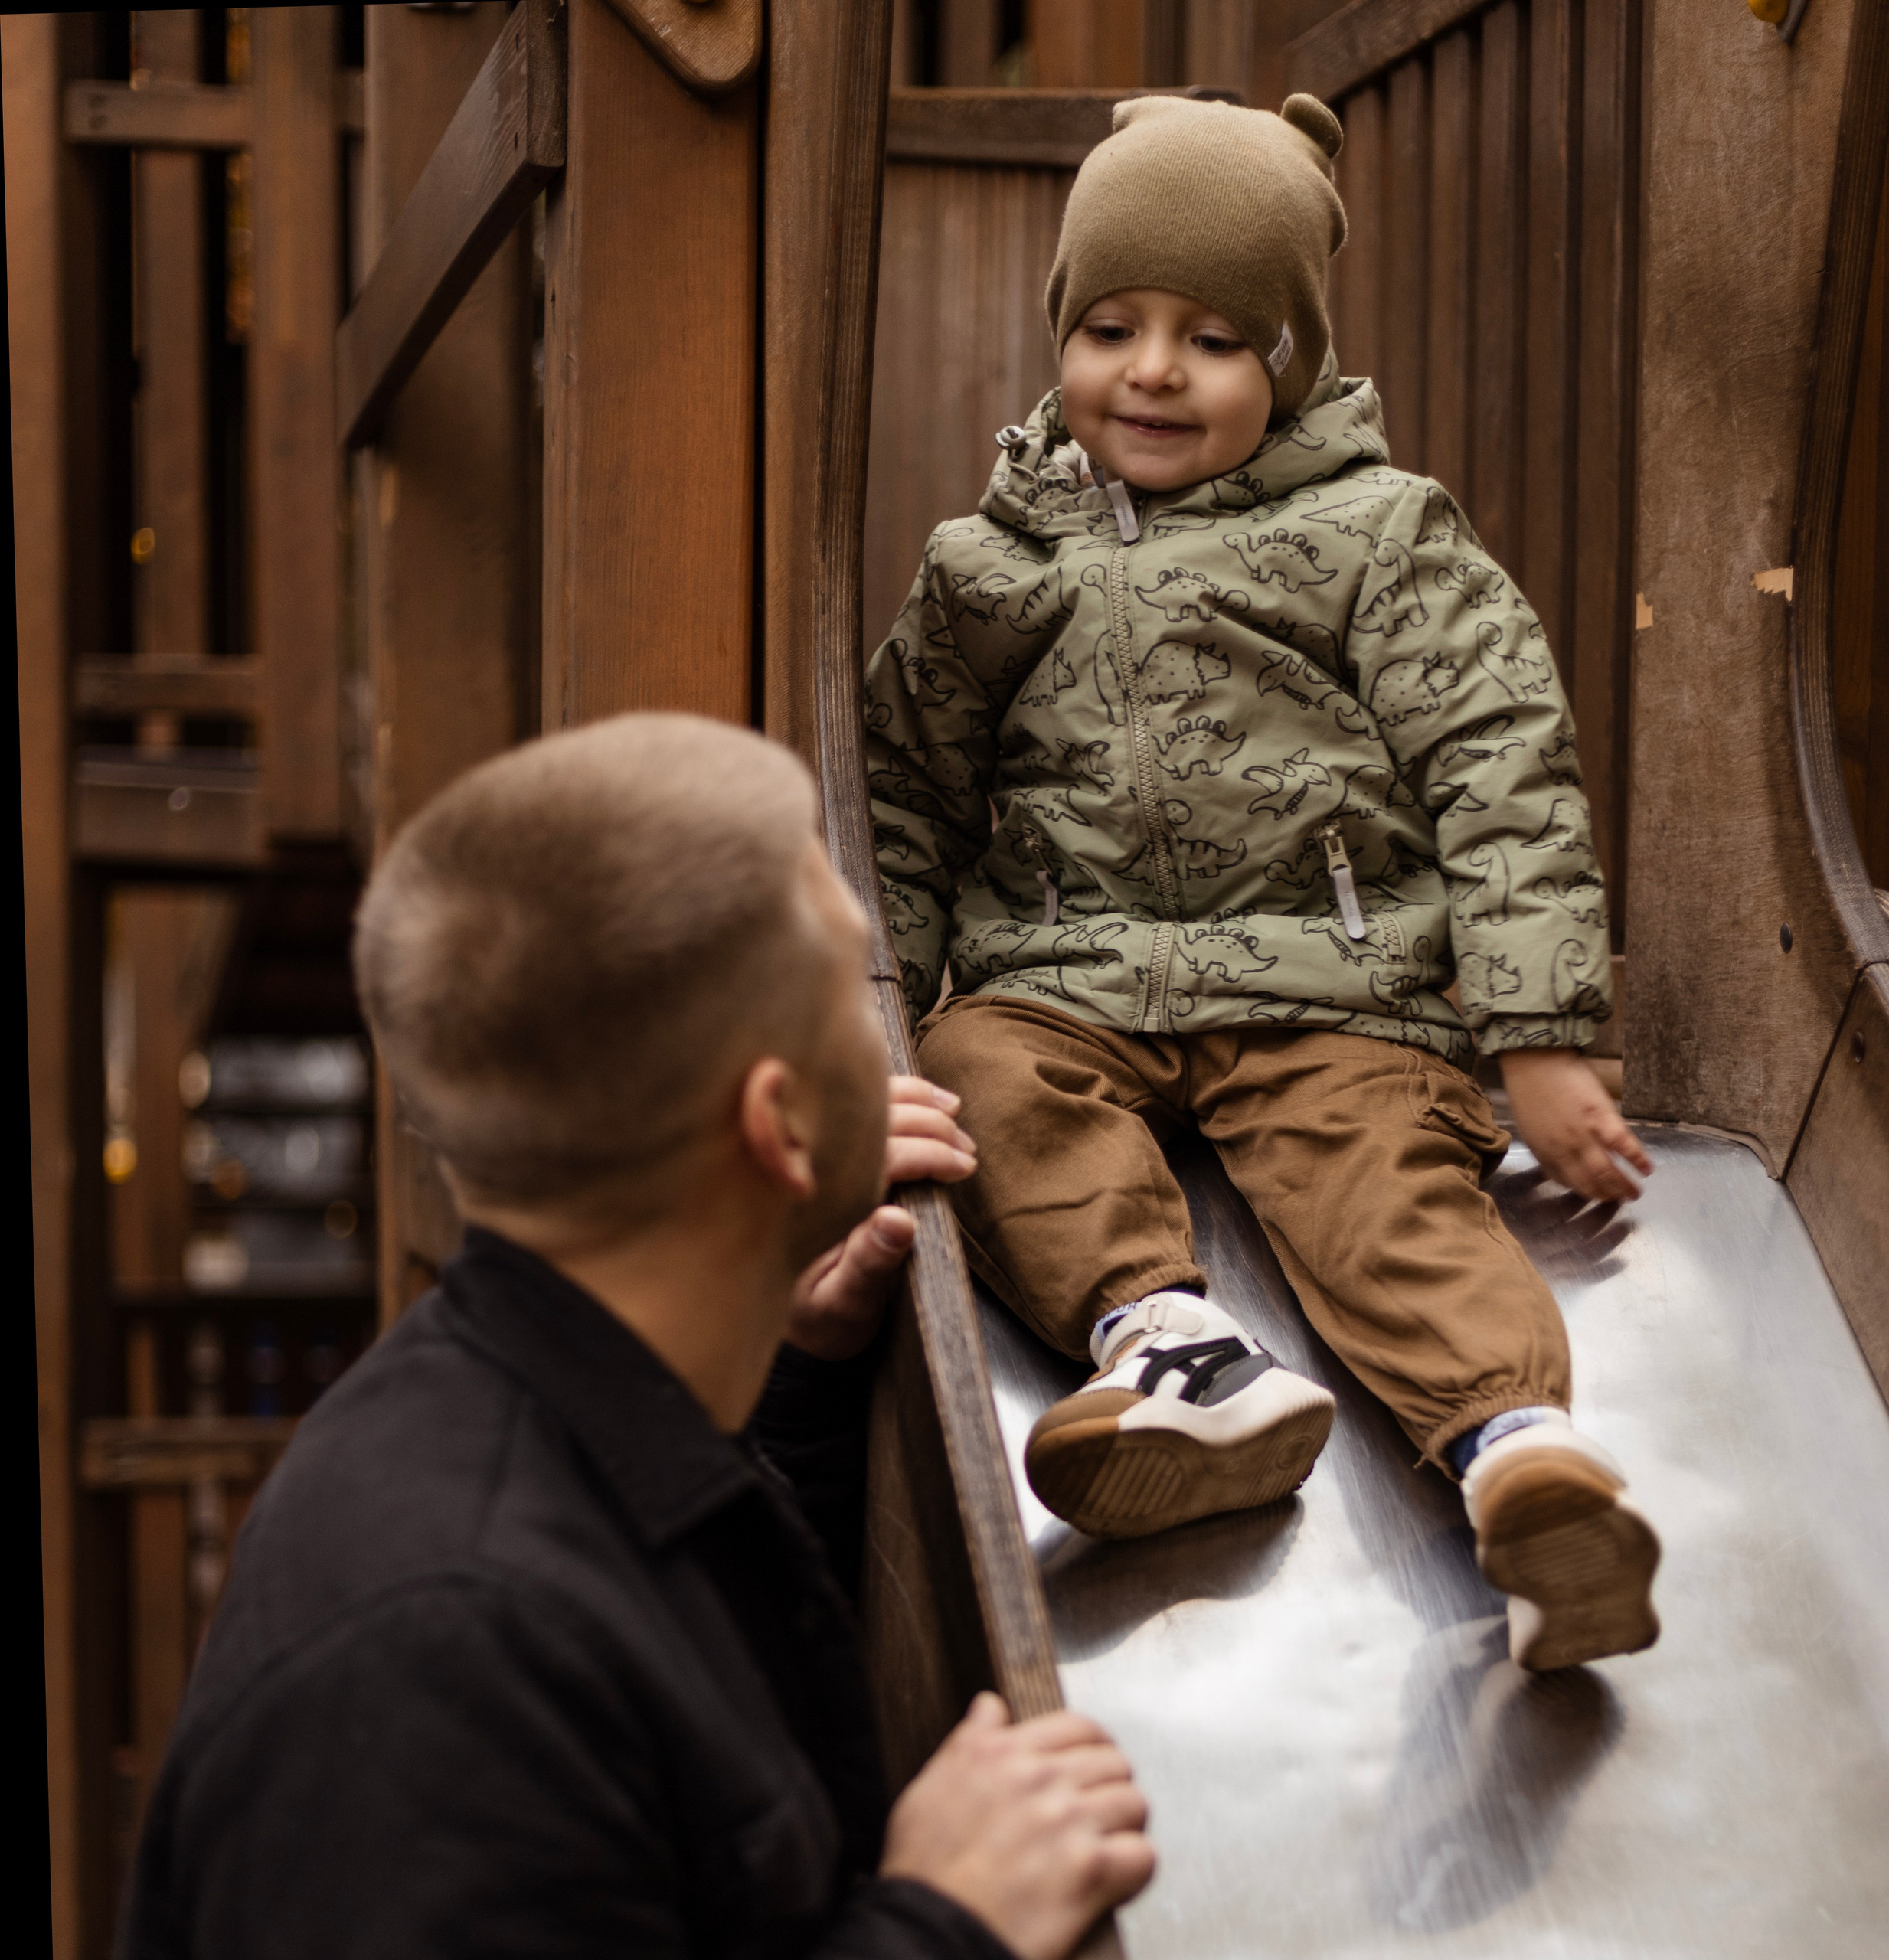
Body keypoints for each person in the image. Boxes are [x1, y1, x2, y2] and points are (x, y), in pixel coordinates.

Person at [118, 714, 1153, 1960]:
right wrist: (939, 1925)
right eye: (853, 993)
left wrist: (800, 1380)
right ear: (776, 1122)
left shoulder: (546, 1410)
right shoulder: (436, 1658)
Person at [864, 90, 1662, 1672]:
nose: (1152, 370)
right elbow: (902, 790)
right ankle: (1170, 1349)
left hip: (1334, 990)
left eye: (1216, 338)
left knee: (1380, 1185)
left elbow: (1498, 757)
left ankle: (1519, 1458)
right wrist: (861, 1015)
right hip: (1067, 975)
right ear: (1059, 334)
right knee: (974, 1081)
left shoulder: (1373, 536)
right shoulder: (988, 564)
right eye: (1110, 324)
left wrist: (1538, 1027)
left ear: (1288, 362)